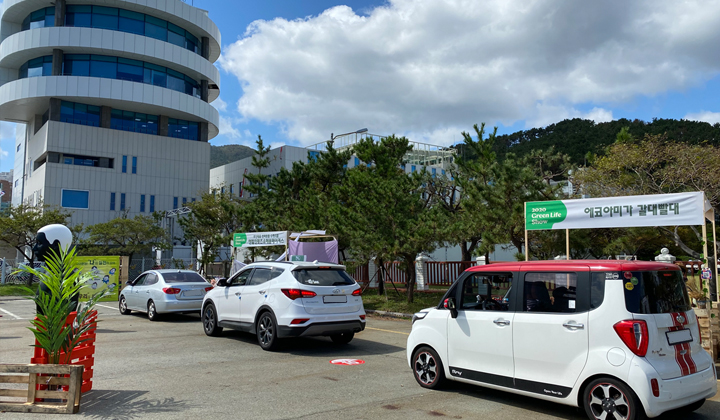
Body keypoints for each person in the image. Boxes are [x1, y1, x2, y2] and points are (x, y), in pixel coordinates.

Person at [33, 224, 77, 314]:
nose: (34, 248)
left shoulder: (65, 278)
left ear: (56, 245)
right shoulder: (51, 274)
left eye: (39, 243)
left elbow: (62, 317)